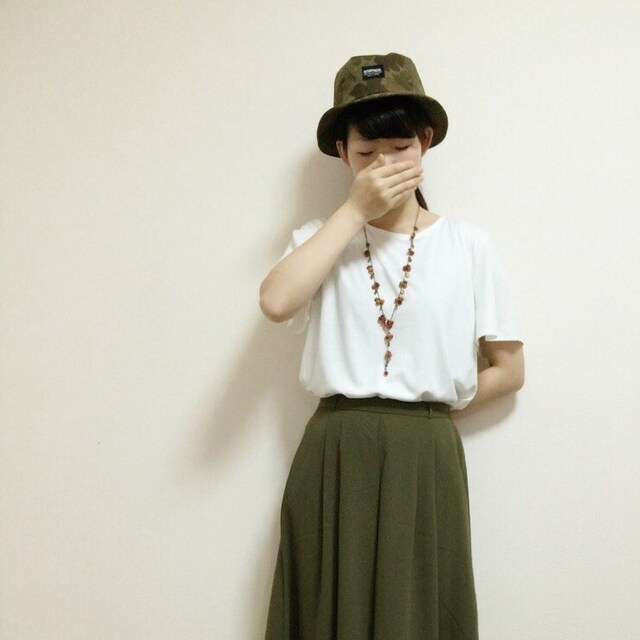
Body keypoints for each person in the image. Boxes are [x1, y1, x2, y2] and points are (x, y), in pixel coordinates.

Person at [259, 52, 525, 640]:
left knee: (419, 614)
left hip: (425, 453)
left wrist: (431, 405)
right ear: (342, 153)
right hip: (337, 450)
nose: (384, 165)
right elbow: (276, 302)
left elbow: (509, 370)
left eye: (401, 147)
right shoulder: (318, 239)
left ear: (425, 142)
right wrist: (355, 210)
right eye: (366, 153)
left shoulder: (468, 245)